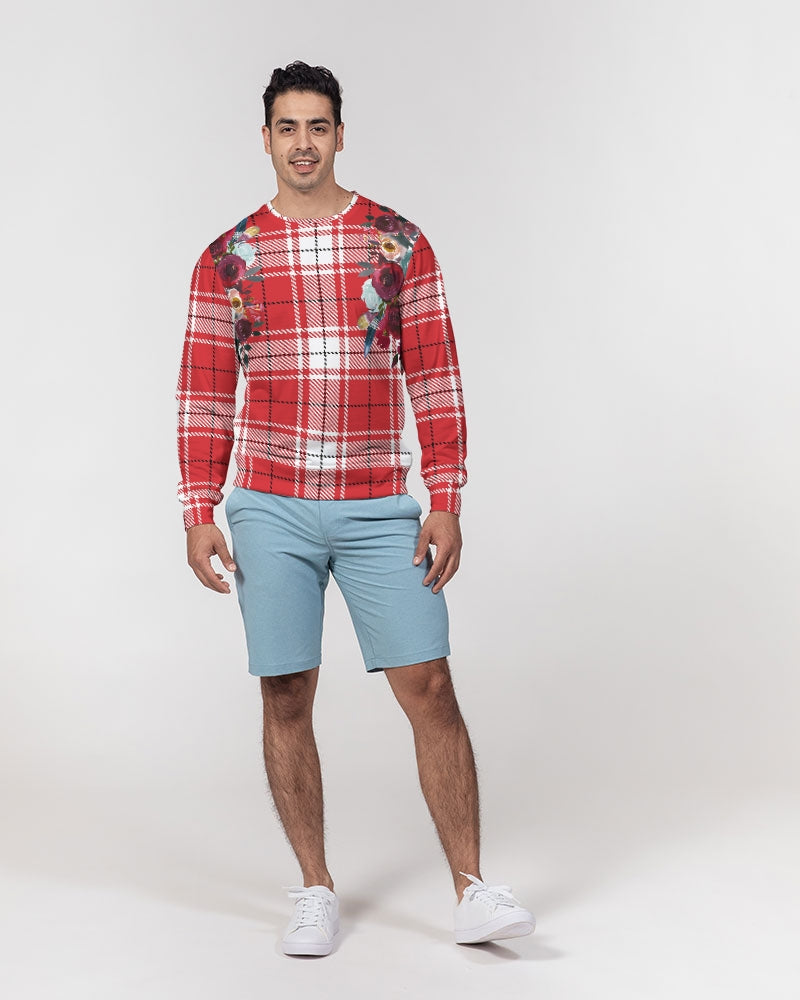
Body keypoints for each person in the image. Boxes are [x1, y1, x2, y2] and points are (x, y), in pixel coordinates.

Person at [175, 60, 535, 957]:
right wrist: (199, 506)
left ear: (340, 134)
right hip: (269, 505)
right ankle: (315, 889)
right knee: (286, 690)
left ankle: (473, 889)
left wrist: (445, 495)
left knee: (431, 686)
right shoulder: (228, 257)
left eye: (318, 126)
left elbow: (435, 372)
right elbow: (206, 391)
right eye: (287, 127)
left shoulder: (397, 242)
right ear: (265, 139)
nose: (303, 143)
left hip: (378, 503)